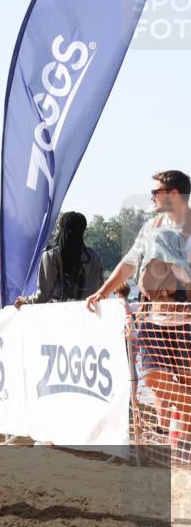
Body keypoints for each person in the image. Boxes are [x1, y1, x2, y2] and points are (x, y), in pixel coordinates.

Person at [87, 170, 191, 438]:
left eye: (156, 192)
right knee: (153, 377)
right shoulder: (151, 227)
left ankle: (182, 450)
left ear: (174, 194)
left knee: (187, 383)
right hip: (154, 317)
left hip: (187, 320)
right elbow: (128, 264)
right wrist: (102, 291)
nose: (152, 197)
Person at [13, 212, 104, 309]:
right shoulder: (95, 257)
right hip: (89, 312)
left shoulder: (51, 256)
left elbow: (44, 295)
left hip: (60, 313)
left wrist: (26, 300)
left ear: (62, 229)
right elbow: (101, 291)